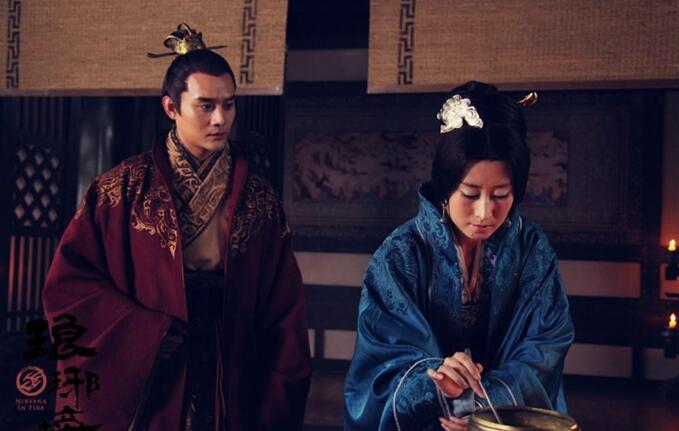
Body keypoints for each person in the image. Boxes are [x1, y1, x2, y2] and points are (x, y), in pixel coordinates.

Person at [42, 27, 311, 431]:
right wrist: (144, 333)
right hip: (154, 367)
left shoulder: (259, 198)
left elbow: (283, 305)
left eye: (229, 105)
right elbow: (69, 287)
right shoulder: (121, 189)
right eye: (206, 106)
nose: (220, 119)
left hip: (231, 364)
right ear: (171, 107)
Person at [344, 81, 574, 431]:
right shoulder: (400, 256)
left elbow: (543, 352)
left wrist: (477, 409)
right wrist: (439, 382)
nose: (484, 213)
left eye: (501, 195)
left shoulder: (532, 250)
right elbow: (382, 366)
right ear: (446, 184)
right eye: (470, 194)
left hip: (503, 423)